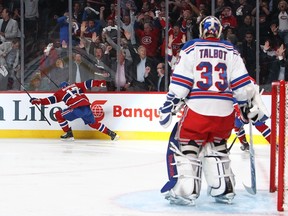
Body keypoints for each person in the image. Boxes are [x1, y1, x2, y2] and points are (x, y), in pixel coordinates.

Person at [158, 16, 269, 206]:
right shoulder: (230, 50)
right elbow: (242, 86)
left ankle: (186, 190)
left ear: (202, 30)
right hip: (225, 110)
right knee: (217, 146)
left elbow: (181, 82)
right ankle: (224, 187)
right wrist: (245, 106)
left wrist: (169, 104)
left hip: (198, 108)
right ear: (218, 31)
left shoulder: (192, 47)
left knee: (188, 144)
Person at [29, 79, 120, 141]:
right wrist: (102, 82)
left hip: (77, 109)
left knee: (58, 114)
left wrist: (37, 101)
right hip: (86, 107)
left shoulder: (60, 92)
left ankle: (69, 134)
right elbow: (90, 82)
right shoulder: (76, 85)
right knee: (93, 124)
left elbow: (49, 100)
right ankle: (112, 134)